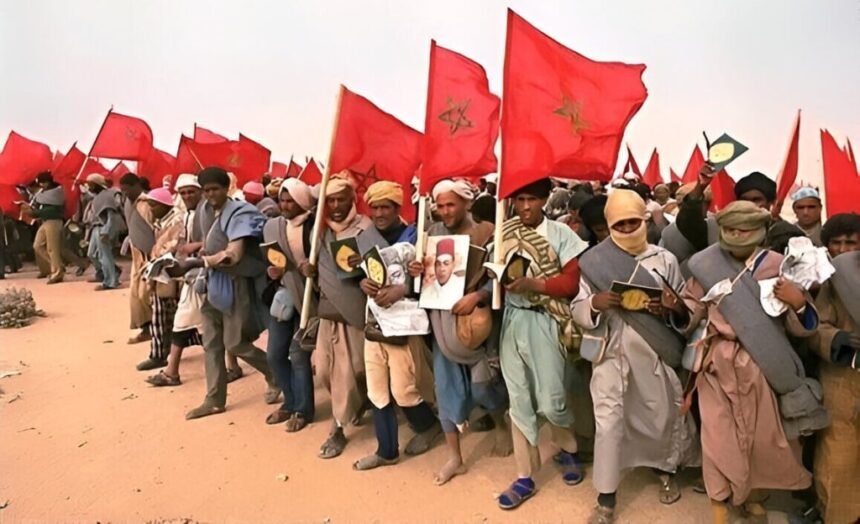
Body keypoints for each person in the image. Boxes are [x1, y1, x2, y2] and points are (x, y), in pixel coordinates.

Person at [673, 201, 827, 523]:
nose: (737, 235)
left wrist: (798, 303)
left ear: (760, 231)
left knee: (759, 440)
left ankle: (754, 497)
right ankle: (719, 505)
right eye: (730, 229)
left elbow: (801, 327)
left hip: (761, 365)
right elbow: (691, 308)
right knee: (717, 438)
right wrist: (674, 306)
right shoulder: (706, 265)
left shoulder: (779, 265)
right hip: (716, 365)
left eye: (744, 229)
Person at [573, 189, 698, 524]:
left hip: (653, 351)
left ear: (643, 220)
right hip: (609, 353)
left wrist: (671, 308)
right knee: (609, 424)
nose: (628, 229)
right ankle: (606, 499)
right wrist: (596, 303)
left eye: (633, 222)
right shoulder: (594, 261)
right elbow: (578, 308)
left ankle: (664, 470)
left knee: (659, 415)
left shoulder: (664, 259)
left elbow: (686, 308)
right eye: (620, 224)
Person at [407, 178, 511, 486]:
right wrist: (417, 272)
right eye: (440, 205)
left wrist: (478, 296)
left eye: (450, 204)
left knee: (483, 388)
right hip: (442, 325)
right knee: (446, 391)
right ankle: (455, 458)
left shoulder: (489, 234)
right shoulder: (432, 236)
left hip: (474, 329)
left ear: (466, 203)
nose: (444, 211)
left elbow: (501, 278)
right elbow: (423, 285)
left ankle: (499, 422)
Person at [493, 178, 588, 510]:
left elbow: (571, 283)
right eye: (519, 199)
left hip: (547, 318)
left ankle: (569, 449)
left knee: (551, 400)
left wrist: (536, 283)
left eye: (532, 199)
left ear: (545, 200)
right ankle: (524, 476)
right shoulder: (502, 234)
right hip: (512, 319)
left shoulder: (563, 235)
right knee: (518, 398)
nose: (525, 207)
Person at [167, 167, 277, 420]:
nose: (211, 194)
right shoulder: (205, 212)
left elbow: (233, 254)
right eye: (207, 190)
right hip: (212, 283)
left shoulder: (241, 212)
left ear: (227, 188)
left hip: (237, 283)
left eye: (215, 189)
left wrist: (196, 263)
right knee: (211, 344)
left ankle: (275, 374)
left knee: (236, 343)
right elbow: (211, 243)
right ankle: (214, 399)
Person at [352, 180, 441, 471]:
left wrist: (404, 289)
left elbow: (434, 278)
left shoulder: (417, 236)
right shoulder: (364, 237)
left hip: (404, 325)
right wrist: (362, 282)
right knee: (377, 390)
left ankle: (429, 427)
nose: (379, 212)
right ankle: (386, 451)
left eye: (385, 207)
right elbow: (362, 274)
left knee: (404, 390)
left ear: (396, 208)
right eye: (375, 207)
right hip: (374, 323)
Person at [302, 173, 372, 458]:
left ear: (352, 199)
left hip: (354, 312)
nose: (336, 205)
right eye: (329, 200)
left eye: (341, 198)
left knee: (351, 370)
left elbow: (381, 266)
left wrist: (364, 264)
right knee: (324, 370)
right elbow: (316, 266)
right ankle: (352, 407)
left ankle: (337, 428)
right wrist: (306, 268)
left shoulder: (364, 228)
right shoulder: (320, 230)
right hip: (328, 313)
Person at [261, 178, 317, 432]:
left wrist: (311, 271)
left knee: (298, 354)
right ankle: (289, 401)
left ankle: (303, 409)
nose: (285, 205)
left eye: (290, 201)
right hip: (284, 295)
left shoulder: (317, 227)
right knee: (274, 354)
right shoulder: (274, 227)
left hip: (310, 298)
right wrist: (272, 272)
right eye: (282, 200)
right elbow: (272, 258)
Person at [809, 248, 859, 523]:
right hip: (843, 380)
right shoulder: (841, 277)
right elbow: (817, 325)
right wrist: (837, 338)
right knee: (837, 457)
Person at [146, 174, 206, 387]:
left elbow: (217, 239)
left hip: (205, 273)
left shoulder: (204, 212)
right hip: (192, 275)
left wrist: (195, 246)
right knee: (190, 323)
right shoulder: (189, 215)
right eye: (183, 193)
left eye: (191, 191)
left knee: (198, 325)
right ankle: (171, 371)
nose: (188, 196)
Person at [137, 188, 194, 371]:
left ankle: (160, 355)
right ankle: (161, 352)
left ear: (165, 205)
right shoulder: (162, 221)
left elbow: (173, 246)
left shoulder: (177, 220)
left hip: (170, 271)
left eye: (154, 205)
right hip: (162, 271)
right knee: (164, 313)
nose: (151, 209)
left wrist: (156, 260)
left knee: (166, 314)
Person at [119, 173, 155, 347]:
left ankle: (159, 330)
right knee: (135, 295)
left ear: (136, 186)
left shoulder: (148, 203)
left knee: (147, 293)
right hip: (136, 253)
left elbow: (155, 228)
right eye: (123, 191)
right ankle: (145, 328)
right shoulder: (127, 203)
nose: (125, 194)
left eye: (127, 190)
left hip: (151, 255)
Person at [24, 172, 66, 284]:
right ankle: (58, 266)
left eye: (42, 183)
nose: (41, 185)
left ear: (47, 182)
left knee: (52, 249)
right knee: (37, 246)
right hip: (45, 221)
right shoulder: (44, 193)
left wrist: (35, 212)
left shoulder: (57, 192)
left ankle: (57, 273)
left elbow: (53, 210)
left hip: (54, 221)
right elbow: (41, 205)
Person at [83, 174, 123, 290]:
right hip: (95, 227)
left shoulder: (108, 196)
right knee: (91, 254)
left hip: (104, 228)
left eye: (91, 185)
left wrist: (106, 231)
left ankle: (110, 282)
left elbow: (112, 216)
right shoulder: (98, 197)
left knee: (104, 255)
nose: (89, 187)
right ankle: (112, 272)